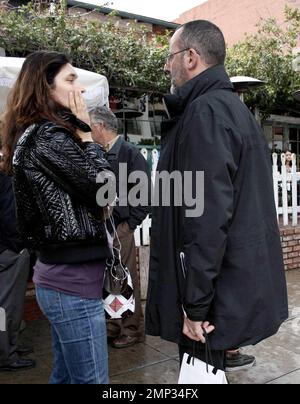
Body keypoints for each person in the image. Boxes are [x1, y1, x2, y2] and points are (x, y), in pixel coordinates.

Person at [146, 20, 289, 375]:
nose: (167, 65)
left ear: (191, 57)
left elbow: (205, 220)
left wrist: (195, 306)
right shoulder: (230, 109)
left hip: (209, 301)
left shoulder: (205, 113)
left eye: (171, 56)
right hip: (221, 290)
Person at [1, 51, 115, 384]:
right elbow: (104, 190)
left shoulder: (42, 135)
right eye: (70, 79)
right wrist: (88, 139)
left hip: (66, 279)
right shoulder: (48, 136)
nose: (79, 87)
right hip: (71, 284)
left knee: (66, 377)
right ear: (45, 88)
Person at [90, 106, 151, 348]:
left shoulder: (129, 153)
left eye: (90, 126)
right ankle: (114, 325)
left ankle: (132, 328)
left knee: (125, 279)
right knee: (109, 281)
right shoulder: (98, 152)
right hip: (103, 228)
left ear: (100, 126)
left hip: (120, 229)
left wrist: (128, 225)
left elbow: (144, 196)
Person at [0, 158, 34, 372]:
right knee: (8, 306)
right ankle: (6, 354)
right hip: (9, 251)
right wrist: (19, 246)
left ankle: (8, 347)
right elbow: (10, 217)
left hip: (6, 248)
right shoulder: (5, 179)